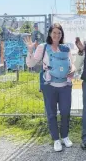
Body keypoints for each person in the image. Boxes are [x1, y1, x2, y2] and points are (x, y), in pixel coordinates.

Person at [24, 23, 75, 152]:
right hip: (49, 86)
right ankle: (56, 139)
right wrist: (30, 50)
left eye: (59, 33)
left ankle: (65, 136)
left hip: (65, 86)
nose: (57, 35)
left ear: (62, 34)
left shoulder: (65, 48)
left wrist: (73, 69)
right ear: (50, 34)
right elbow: (31, 63)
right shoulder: (43, 47)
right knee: (51, 114)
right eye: (54, 32)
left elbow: (72, 64)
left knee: (65, 112)